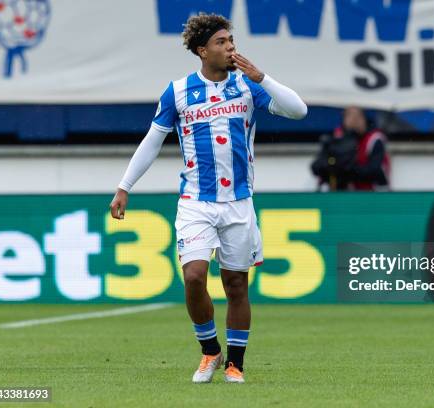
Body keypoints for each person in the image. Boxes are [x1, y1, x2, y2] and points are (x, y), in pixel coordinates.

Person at [109, 13, 307, 384]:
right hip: (196, 201)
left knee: (236, 285)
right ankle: (209, 351)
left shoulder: (248, 87)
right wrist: (125, 186)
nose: (230, 47)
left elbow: (299, 110)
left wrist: (261, 76)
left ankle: (235, 363)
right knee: (195, 277)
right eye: (221, 42)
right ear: (202, 51)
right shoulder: (178, 91)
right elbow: (153, 140)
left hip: (239, 202)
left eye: (231, 41)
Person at [311, 107, 390, 191]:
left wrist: (349, 170)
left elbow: (375, 170)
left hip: (370, 194)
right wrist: (332, 166)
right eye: (349, 116)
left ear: (364, 119)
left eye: (358, 117)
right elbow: (316, 167)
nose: (354, 121)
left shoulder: (374, 139)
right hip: (341, 193)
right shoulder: (335, 139)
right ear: (344, 120)